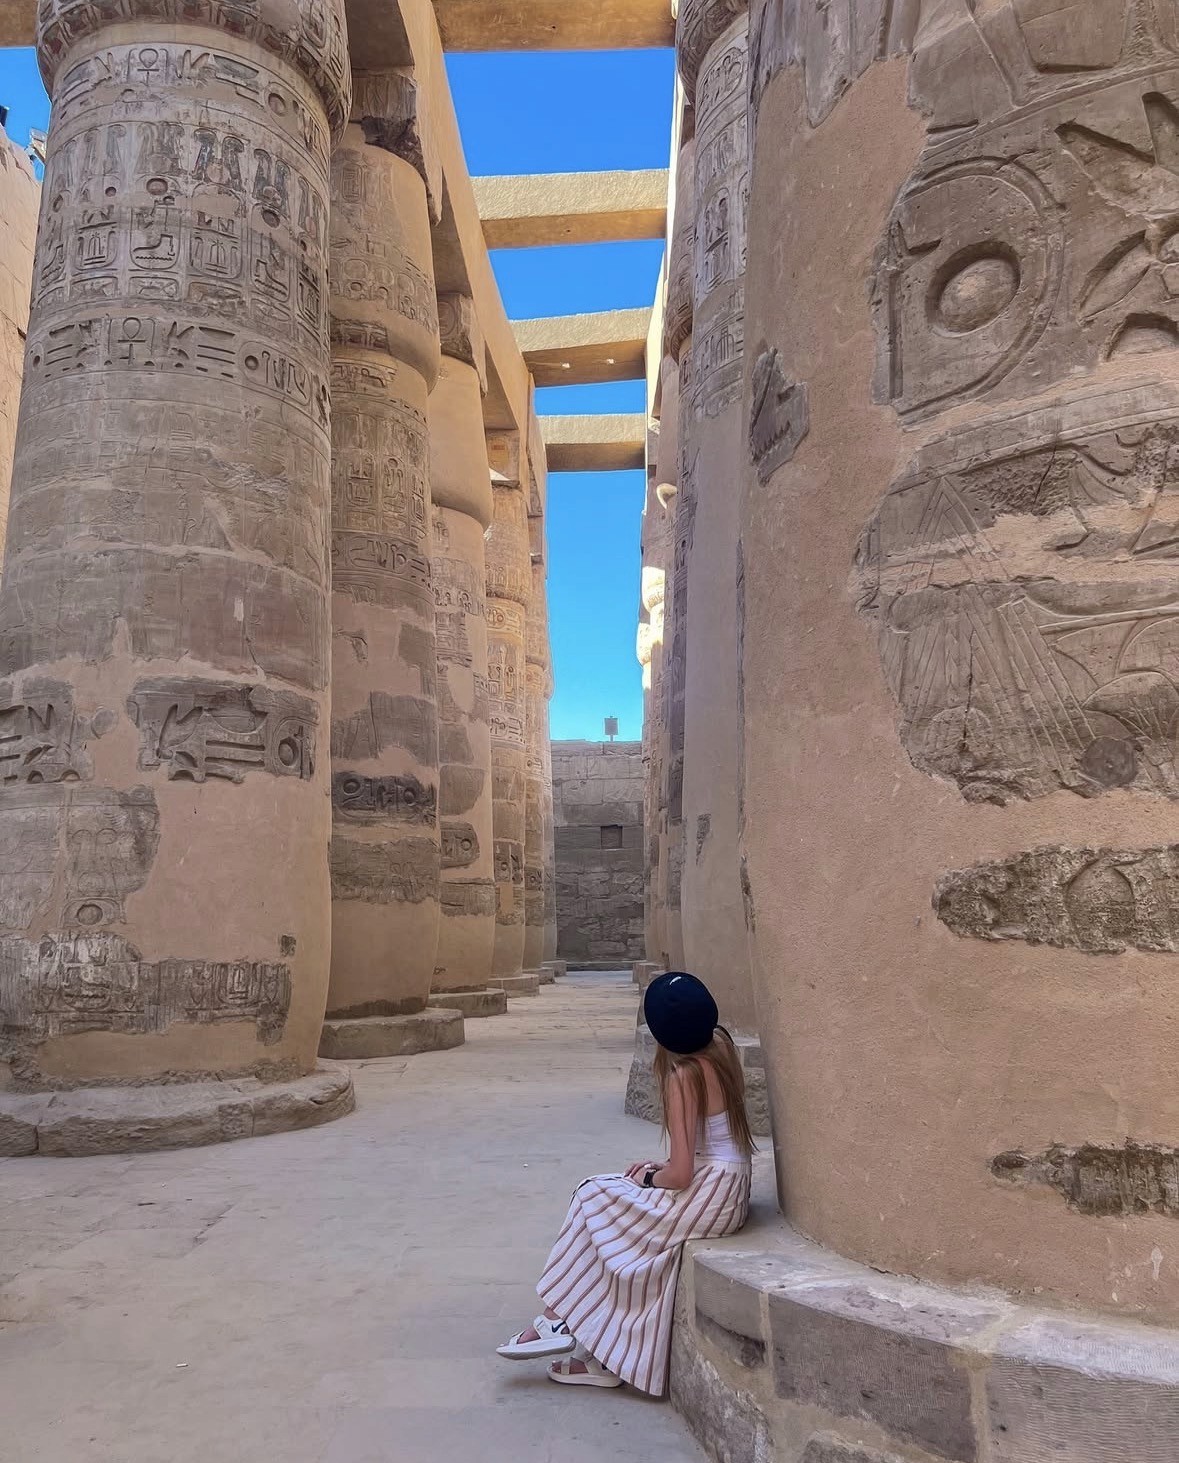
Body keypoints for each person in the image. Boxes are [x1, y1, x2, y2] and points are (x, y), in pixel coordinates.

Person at [496, 971, 754, 1395]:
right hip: (726, 1188)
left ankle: (557, 1318)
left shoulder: (682, 1077)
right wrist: (658, 1168)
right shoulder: (721, 1049)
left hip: (708, 1194)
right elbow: (709, 1147)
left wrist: (653, 1175)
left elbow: (682, 1174)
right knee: (611, 1206)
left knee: (592, 1195)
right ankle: (589, 1343)